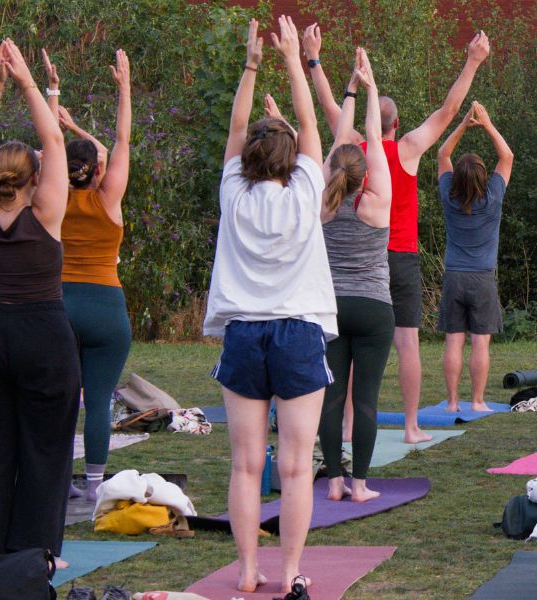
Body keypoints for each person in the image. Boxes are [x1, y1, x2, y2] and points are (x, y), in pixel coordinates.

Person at [304, 24, 491, 436]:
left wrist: (313, 59)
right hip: (399, 255)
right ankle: (410, 426)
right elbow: (448, 110)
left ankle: (349, 423)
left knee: (346, 344)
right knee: (407, 343)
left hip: (354, 259)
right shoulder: (407, 148)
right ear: (396, 122)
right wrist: (472, 62)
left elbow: (328, 106)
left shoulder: (351, 145)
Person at [205, 17, 334, 594]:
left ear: (252, 158)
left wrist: (254, 63)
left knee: (246, 465)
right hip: (297, 333)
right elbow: (309, 123)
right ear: (291, 158)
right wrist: (293, 58)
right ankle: (289, 573)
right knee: (296, 466)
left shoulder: (233, 192)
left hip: (244, 336)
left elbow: (238, 126)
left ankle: (249, 571)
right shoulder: (308, 188)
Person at [0, 39, 78, 570]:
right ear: (34, 178)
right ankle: (37, 556)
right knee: (46, 451)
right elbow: (54, 139)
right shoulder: (47, 209)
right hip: (43, 337)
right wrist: (30, 83)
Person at [47, 48, 133, 501]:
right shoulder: (109, 196)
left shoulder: (54, 196)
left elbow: (58, 149)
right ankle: (95, 484)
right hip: (105, 308)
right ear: (98, 170)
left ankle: (58, 481)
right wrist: (124, 88)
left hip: (59, 306)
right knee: (97, 401)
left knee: (60, 401)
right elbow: (119, 140)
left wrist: (53, 99)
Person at [316, 48, 392, 504]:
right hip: (373, 308)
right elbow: (376, 140)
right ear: (363, 174)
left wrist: (348, 90)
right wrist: (371, 88)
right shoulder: (375, 201)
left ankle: (334, 483)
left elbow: (339, 143)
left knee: (329, 397)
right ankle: (361, 484)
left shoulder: (323, 202)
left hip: (330, 305)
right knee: (365, 399)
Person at [435, 101, 513, 412]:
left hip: (454, 276)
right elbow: (506, 156)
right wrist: (488, 123)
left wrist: (464, 125)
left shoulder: (449, 195)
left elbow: (442, 155)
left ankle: (453, 402)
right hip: (482, 279)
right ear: (483, 177)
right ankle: (478, 401)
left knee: (454, 340)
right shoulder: (493, 196)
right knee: (480, 342)